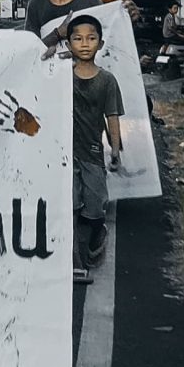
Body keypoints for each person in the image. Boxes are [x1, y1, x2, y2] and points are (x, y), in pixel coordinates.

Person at [60, 14, 126, 281]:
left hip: (93, 153)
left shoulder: (107, 81)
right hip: (65, 153)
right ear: (68, 45)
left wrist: (115, 151)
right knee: (72, 205)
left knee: (95, 206)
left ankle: (98, 233)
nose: (84, 44)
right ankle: (77, 262)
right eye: (77, 39)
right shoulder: (61, 76)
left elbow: (112, 118)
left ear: (100, 43)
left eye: (91, 38)